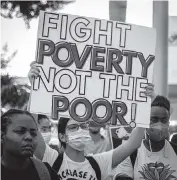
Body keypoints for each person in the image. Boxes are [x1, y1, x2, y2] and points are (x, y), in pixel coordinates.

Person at [28, 62, 155, 180]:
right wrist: (35, 88)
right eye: (73, 127)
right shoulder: (51, 158)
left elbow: (133, 143)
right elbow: (31, 129)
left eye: (84, 126)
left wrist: (146, 105)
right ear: (62, 136)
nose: (80, 131)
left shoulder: (99, 163)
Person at [114, 95, 177, 180]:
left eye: (164, 120)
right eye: (154, 120)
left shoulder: (175, 151)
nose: (160, 125)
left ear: (168, 121)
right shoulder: (130, 153)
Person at [1, 109, 61, 180]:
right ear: (2, 136)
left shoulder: (45, 172)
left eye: (33, 133)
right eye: (20, 131)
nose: (29, 137)